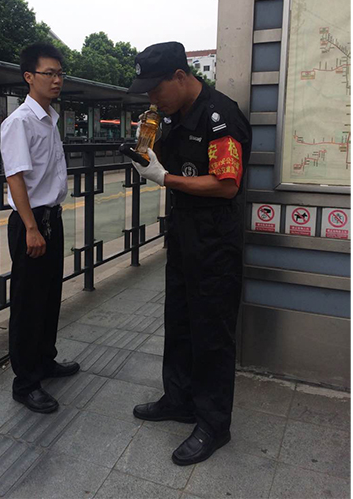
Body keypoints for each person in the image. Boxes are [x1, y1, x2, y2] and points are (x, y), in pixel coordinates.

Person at [127, 41, 252, 465]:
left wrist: (165, 179)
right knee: (179, 321)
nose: (152, 98)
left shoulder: (220, 116)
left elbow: (226, 184)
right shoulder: (172, 117)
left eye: (156, 88)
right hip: (183, 237)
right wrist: (146, 154)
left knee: (212, 334)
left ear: (180, 77)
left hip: (215, 244)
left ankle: (214, 424)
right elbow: (167, 163)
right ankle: (178, 399)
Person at [0, 43, 80, 414]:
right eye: (49, 73)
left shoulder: (50, 118)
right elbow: (15, 177)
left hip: (51, 218)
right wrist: (31, 228)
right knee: (28, 305)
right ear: (29, 77)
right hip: (30, 222)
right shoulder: (20, 122)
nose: (57, 80)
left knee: (49, 297)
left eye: (60, 73)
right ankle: (26, 382)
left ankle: (45, 361)